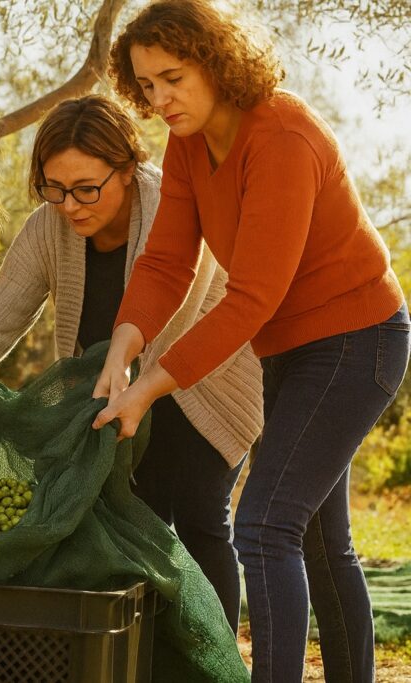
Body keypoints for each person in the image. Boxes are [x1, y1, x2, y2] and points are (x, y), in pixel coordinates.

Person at [96, 2, 409, 680]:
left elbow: (253, 296)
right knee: (323, 545)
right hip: (290, 352)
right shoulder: (186, 144)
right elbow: (165, 263)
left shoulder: (282, 134)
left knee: (266, 523)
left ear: (216, 60)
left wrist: (149, 387)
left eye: (173, 77)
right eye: (146, 85)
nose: (160, 98)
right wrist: (124, 350)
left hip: (358, 340)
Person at [0, 94, 263, 632]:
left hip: (200, 386)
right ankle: (148, 662)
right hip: (112, 395)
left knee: (199, 518)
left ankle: (214, 659)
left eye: (86, 189)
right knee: (133, 527)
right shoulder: (48, 228)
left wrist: (124, 381)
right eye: (54, 189)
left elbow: (177, 314)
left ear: (127, 169)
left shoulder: (168, 206)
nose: (71, 205)